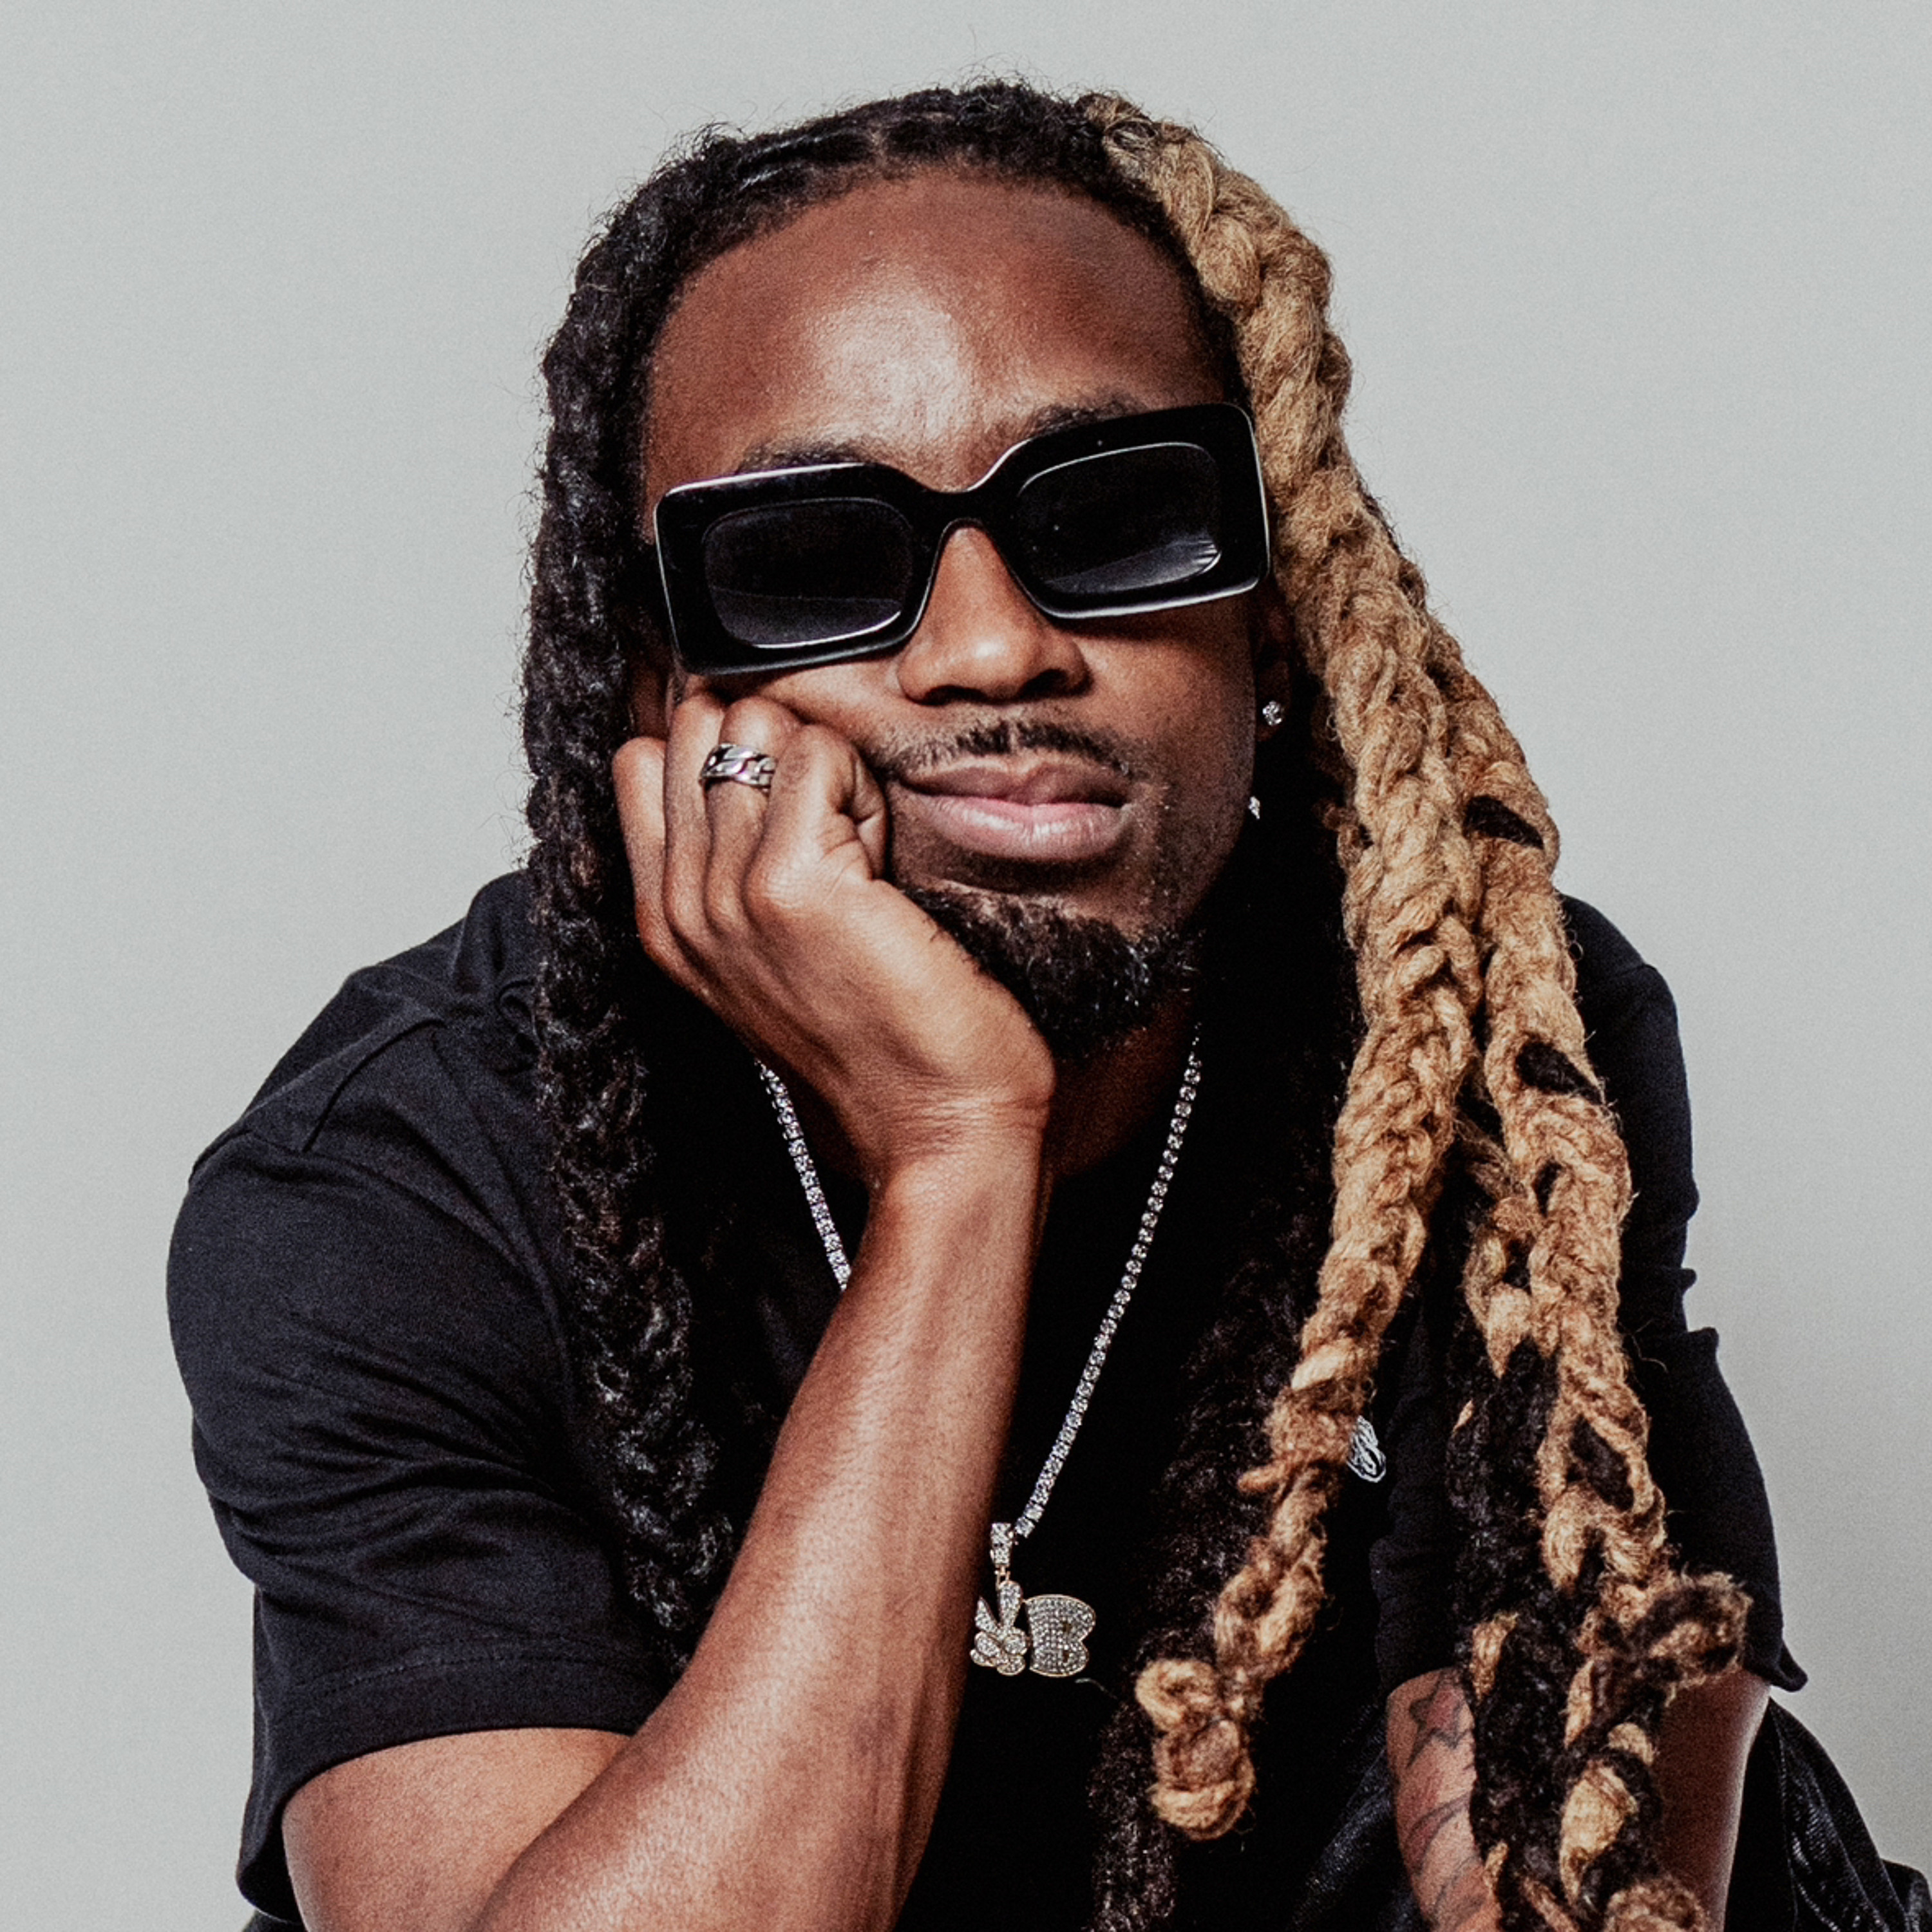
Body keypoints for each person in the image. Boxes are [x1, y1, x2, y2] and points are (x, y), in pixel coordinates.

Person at [170, 83, 1810, 1932]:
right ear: (654, 686)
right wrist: (962, 1155)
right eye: (814, 562)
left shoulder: (1492, 1053)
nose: (993, 647)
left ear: (1274, 607)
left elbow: (1584, 1895)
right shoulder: (405, 1174)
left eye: (1117, 516)